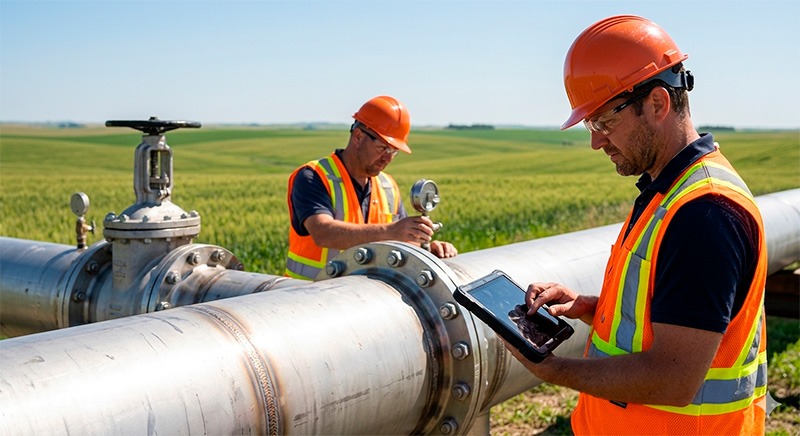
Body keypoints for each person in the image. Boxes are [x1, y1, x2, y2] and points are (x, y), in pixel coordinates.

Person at [504, 15, 768, 435]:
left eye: (604, 122)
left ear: (658, 104)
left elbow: (675, 378)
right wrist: (590, 306)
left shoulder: (705, 213)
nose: (595, 141)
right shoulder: (668, 192)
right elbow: (671, 310)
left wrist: (553, 370)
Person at [285, 95, 457, 280]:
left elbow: (401, 240)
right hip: (307, 298)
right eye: (383, 147)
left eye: (394, 151)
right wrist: (391, 231)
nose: (388, 157)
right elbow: (323, 233)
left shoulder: (388, 186)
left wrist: (427, 249)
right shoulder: (313, 176)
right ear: (358, 136)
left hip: (362, 300)